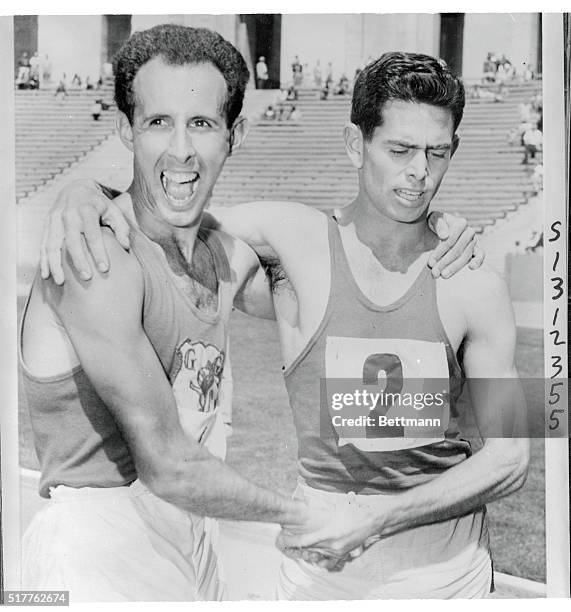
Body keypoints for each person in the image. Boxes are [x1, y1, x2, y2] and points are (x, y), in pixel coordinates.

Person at [40, 50, 493, 599]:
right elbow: (162, 212)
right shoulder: (292, 238)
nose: (419, 172)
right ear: (356, 145)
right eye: (400, 150)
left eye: (436, 153)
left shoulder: (476, 277)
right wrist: (83, 193)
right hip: (319, 572)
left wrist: (382, 518)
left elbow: (518, 453)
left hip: (446, 574)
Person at [21, 24, 341, 602]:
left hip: (190, 540)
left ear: (233, 134)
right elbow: (169, 466)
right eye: (157, 122)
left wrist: (437, 230)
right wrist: (303, 517)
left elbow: (331, 261)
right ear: (126, 130)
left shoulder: (222, 257)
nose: (181, 149)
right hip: (95, 556)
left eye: (201, 123)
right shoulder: (97, 255)